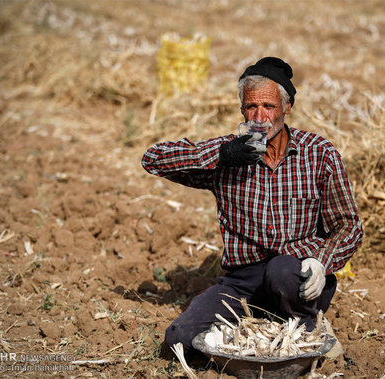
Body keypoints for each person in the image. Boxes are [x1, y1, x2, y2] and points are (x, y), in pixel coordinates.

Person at [141, 57, 363, 356]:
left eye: (269, 107)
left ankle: (308, 325)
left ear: (286, 107)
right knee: (179, 341)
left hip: (297, 277)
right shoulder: (228, 154)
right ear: (242, 109)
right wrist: (220, 153)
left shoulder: (318, 154)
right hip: (242, 283)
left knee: (281, 269)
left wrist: (321, 262)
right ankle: (261, 323)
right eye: (251, 107)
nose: (259, 117)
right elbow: (153, 158)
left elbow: (349, 225)